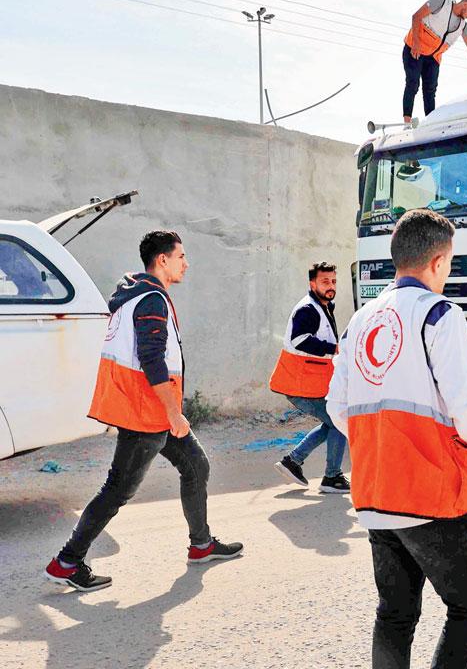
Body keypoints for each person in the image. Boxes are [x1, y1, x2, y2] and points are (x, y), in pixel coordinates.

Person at [327, 208, 467, 669]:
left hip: (376, 490)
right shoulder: (440, 315)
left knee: (395, 614)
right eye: (450, 264)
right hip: (429, 492)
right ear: (437, 263)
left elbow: (340, 409)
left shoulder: (360, 320)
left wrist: (386, 440)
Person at [44, 231, 242, 592]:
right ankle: (67, 561)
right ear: (162, 260)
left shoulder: (136, 293)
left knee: (196, 465)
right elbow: (152, 360)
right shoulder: (151, 299)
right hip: (147, 412)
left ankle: (202, 545)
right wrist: (174, 412)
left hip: (150, 410)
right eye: (181, 256)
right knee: (117, 489)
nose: (186, 263)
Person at [270, 262, 350, 493]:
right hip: (299, 383)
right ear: (312, 283)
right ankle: (332, 477)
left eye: (333, 281)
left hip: (309, 383)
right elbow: (300, 340)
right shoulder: (308, 309)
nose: (330, 286)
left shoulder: (323, 306)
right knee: (338, 419)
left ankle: (293, 461)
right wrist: (333, 348)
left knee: (334, 420)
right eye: (325, 282)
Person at [402, 0, 467, 123]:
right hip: (415, 49)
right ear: (465, 4)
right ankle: (407, 122)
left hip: (433, 58)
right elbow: (416, 16)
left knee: (430, 91)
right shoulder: (441, 3)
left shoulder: (463, 26)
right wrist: (416, 43)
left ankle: (430, 122)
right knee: (413, 84)